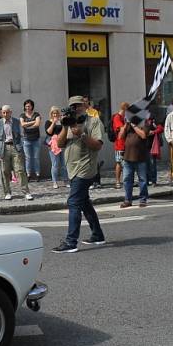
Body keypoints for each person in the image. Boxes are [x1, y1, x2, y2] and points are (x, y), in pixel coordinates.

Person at [53, 96, 106, 253]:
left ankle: (71, 242)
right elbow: (61, 144)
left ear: (86, 105)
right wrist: (64, 126)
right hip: (72, 169)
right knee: (84, 202)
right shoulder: (69, 122)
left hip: (85, 168)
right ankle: (97, 235)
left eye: (78, 105)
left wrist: (82, 134)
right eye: (73, 106)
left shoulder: (94, 121)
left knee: (74, 202)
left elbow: (97, 146)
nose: (76, 108)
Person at [0, 105, 33, 201]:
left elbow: (22, 135)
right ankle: (7, 192)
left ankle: (26, 192)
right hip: (3, 148)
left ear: (10, 112)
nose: (5, 114)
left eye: (7, 112)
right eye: (3, 112)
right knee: (5, 171)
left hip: (16, 147)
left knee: (20, 170)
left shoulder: (16, 121)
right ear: (1, 113)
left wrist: (21, 146)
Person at [119, 119, 150, 208]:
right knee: (126, 180)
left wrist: (133, 125)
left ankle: (143, 199)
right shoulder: (127, 125)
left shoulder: (145, 123)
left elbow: (143, 135)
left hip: (140, 158)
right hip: (127, 157)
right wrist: (124, 126)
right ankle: (128, 200)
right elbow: (120, 136)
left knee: (142, 180)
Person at [45, 106, 69, 189]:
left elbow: (65, 131)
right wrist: (53, 123)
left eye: (56, 113)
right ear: (51, 114)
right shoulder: (48, 122)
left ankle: (65, 180)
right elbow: (49, 132)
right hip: (53, 145)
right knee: (55, 164)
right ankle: (54, 181)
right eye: (53, 113)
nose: (55, 115)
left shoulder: (61, 122)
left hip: (62, 143)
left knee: (63, 164)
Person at [20, 99, 42, 181]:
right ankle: (28, 174)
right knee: (28, 158)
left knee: (36, 157)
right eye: (26, 106)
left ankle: (37, 174)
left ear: (32, 106)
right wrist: (33, 122)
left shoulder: (36, 114)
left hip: (36, 139)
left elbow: (37, 124)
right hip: (26, 139)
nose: (27, 107)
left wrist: (27, 126)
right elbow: (22, 124)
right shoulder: (22, 115)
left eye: (29, 106)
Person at [111, 102, 129, 189]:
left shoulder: (123, 117)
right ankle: (117, 181)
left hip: (125, 143)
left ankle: (127, 180)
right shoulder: (117, 117)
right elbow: (121, 129)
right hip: (119, 144)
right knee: (119, 162)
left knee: (126, 163)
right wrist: (127, 123)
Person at [146, 116, 164, 185]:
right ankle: (146, 180)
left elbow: (161, 128)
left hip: (152, 146)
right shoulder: (141, 121)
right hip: (143, 146)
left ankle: (153, 180)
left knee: (152, 163)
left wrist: (153, 132)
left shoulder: (153, 121)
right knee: (145, 164)